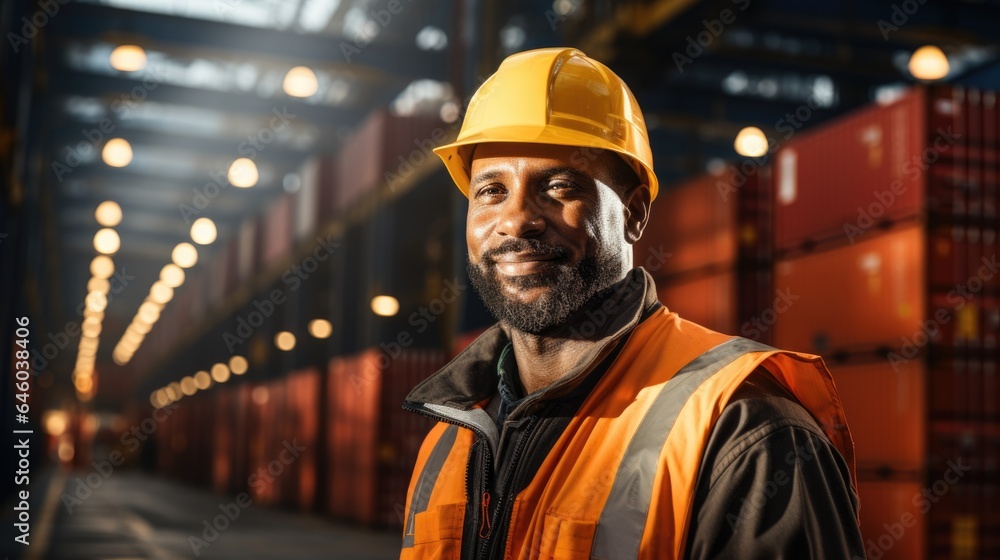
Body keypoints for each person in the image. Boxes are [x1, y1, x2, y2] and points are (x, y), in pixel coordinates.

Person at [400, 47, 864, 560]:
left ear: (635, 214)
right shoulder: (449, 441)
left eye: (558, 186)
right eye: (491, 190)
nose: (516, 220)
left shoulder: (743, 427)